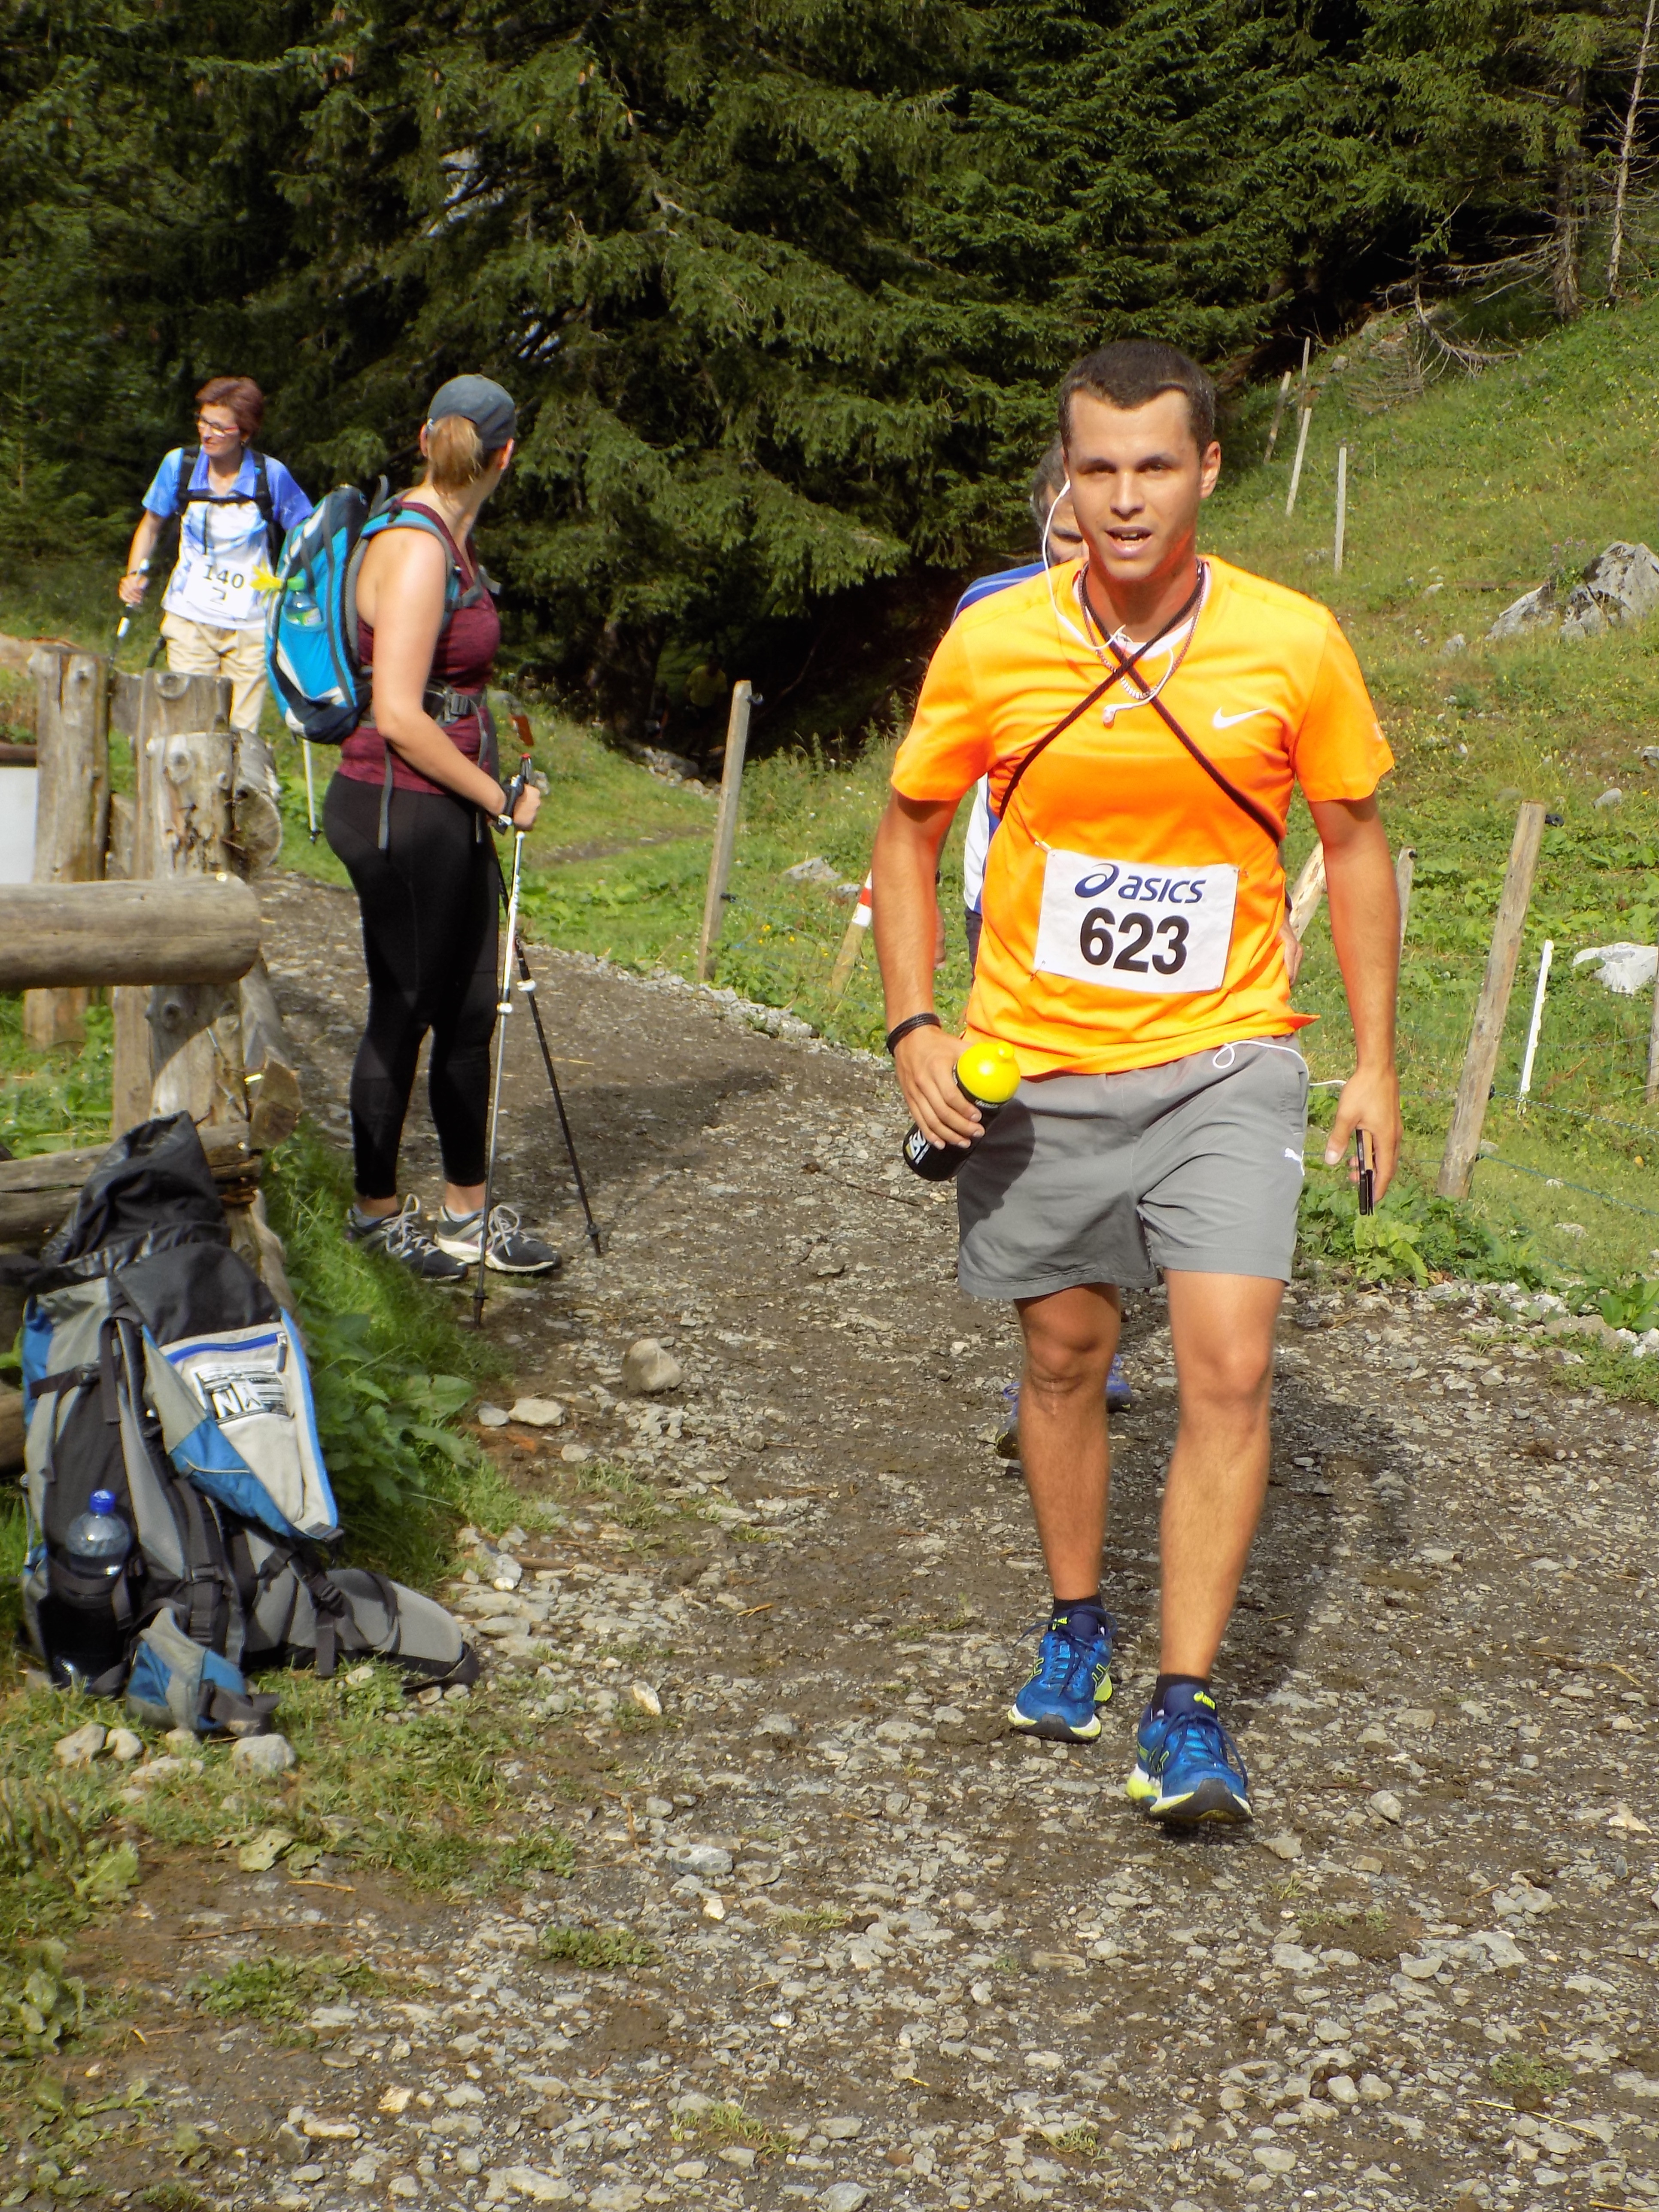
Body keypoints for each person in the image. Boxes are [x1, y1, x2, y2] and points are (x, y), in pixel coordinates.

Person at [872, 339, 1399, 1823]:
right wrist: (913, 1025)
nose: (1122, 497)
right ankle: (1074, 1623)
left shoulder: (1291, 642)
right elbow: (907, 827)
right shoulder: (993, 645)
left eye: (1153, 465)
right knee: (1065, 1357)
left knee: (1227, 1365)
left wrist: (1373, 1063)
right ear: (1066, 476)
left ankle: (1186, 1707)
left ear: (1206, 469)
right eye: (1095, 467)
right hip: (1036, 1063)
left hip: (1228, 1058)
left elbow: (1353, 842)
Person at [322, 374, 559, 1285]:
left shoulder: (446, 541)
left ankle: (466, 1213)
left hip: (437, 803)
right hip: (400, 806)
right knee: (405, 1009)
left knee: (465, 1012)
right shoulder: (419, 547)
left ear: (427, 437)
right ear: (507, 455)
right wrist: (499, 799)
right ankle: (374, 1215)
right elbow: (398, 714)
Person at [954, 444, 1133, 1428]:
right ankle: (1057, 1353)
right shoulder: (991, 610)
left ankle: (1089, 1343)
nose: (1083, 558)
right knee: (1040, 1116)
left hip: (1132, 909)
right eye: (1066, 537)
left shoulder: (1175, 618)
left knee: (1122, 1111)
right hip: (1012, 904)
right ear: (1041, 522)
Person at [119, 377, 313, 737]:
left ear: (245, 433)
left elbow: (307, 534)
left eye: (219, 427)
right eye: (203, 421)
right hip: (190, 618)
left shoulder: (270, 475)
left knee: (240, 737)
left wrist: (298, 585)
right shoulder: (180, 465)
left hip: (251, 626)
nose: (207, 434)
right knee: (191, 731)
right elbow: (151, 525)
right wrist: (133, 575)